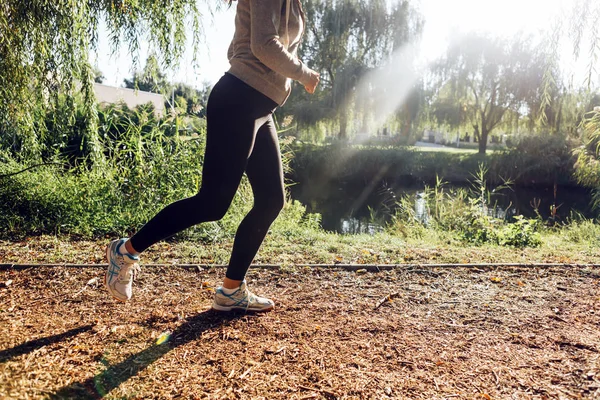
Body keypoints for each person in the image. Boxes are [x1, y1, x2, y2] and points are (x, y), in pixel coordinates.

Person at [105, 0, 320, 312]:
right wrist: (303, 73)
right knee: (212, 203)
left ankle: (232, 290)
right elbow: (262, 44)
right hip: (240, 100)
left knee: (271, 200)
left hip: (261, 107)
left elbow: (241, 45)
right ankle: (125, 251)